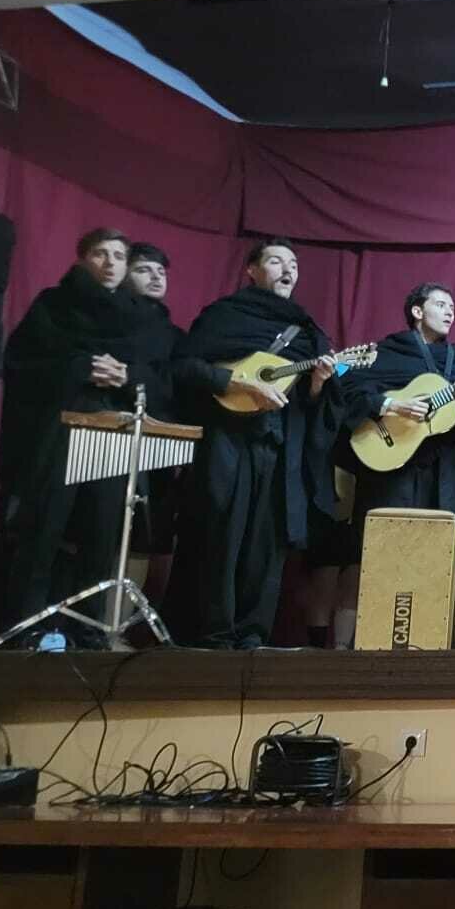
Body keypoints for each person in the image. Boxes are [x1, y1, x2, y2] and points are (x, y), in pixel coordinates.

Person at [164, 240, 342, 649]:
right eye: (277, 260)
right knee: (220, 534)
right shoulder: (224, 316)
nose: (288, 269)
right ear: (252, 270)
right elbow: (184, 366)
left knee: (267, 543)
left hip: (279, 447)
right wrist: (233, 382)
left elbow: (319, 405)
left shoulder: (309, 333)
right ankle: (212, 632)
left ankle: (251, 633)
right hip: (227, 442)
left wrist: (317, 384)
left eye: (294, 263)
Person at [0, 229, 172, 642]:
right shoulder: (52, 306)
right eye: (100, 254)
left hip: (115, 438)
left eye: (118, 255)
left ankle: (87, 631)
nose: (110, 263)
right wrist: (81, 368)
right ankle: (26, 629)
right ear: (82, 260)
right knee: (44, 535)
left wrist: (128, 376)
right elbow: (21, 366)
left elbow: (164, 381)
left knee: (102, 538)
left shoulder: (145, 319)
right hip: (57, 437)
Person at [334, 282, 455, 638]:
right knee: (375, 558)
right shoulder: (386, 352)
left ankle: (421, 644)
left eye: (453, 306)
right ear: (417, 312)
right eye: (441, 304)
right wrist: (389, 405)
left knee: (434, 563)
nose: (450, 311)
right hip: (391, 472)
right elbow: (345, 382)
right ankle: (353, 647)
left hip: (443, 476)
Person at [122, 242, 185, 601]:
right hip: (115, 437)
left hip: (160, 445)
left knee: (150, 536)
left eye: (161, 272)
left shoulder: (175, 336)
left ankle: (126, 626)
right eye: (145, 269)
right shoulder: (111, 323)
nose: (156, 277)